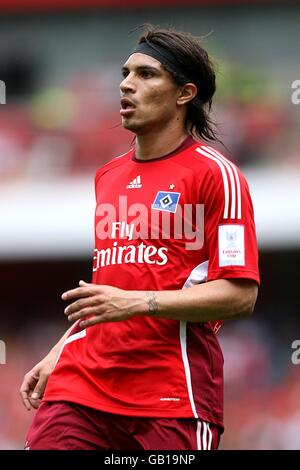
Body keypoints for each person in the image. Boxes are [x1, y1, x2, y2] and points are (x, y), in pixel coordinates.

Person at [20, 24, 259, 451]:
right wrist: (60, 348)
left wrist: (139, 304)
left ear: (185, 94)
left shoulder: (216, 175)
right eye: (125, 73)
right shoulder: (107, 176)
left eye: (147, 75)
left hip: (170, 394)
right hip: (82, 386)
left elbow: (239, 295)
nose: (126, 85)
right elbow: (113, 284)